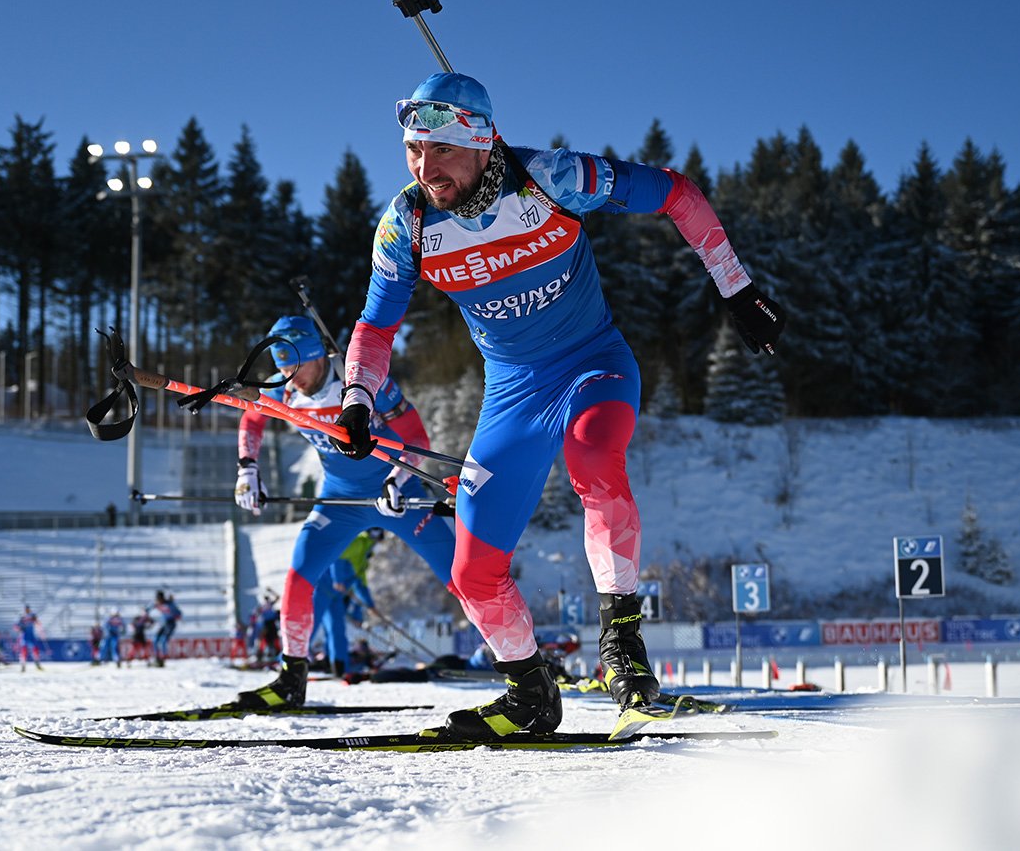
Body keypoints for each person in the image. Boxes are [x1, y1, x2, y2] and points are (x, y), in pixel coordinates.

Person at [333, 73, 785, 739]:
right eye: (412, 149)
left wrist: (736, 288)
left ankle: (623, 654)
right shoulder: (407, 223)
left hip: (590, 365)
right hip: (513, 392)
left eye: (442, 151)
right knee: (471, 568)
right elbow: (375, 327)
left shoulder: (551, 178)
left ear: (484, 142)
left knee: (595, 457)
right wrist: (357, 400)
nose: (426, 169)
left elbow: (674, 192)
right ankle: (529, 693)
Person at [230, 314, 456, 710]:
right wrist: (248, 468)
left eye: (297, 366)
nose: (290, 376)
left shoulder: (364, 383)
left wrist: (397, 482)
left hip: (395, 493)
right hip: (339, 500)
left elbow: (417, 437)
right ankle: (291, 679)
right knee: (299, 576)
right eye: (282, 368)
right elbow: (251, 417)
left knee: (461, 575)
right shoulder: (284, 393)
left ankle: (526, 668)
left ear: (319, 356)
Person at [310, 527, 382, 676]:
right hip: (322, 589)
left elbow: (360, 584)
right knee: (310, 626)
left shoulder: (363, 558)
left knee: (337, 631)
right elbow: (337, 556)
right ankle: (286, 662)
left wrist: (370, 606)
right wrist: (337, 578)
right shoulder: (357, 542)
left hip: (336, 597)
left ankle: (339, 667)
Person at [151, 590, 181, 666]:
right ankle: (157, 657)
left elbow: (178, 613)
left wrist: (174, 615)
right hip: (163, 624)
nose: (158, 601)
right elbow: (148, 608)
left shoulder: (169, 604)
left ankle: (164, 658)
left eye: (159, 599)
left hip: (170, 623)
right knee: (155, 639)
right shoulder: (158, 604)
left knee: (163, 640)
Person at [15, 604, 44, 671]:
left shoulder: (32, 615)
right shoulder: (22, 617)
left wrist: (37, 622)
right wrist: (19, 628)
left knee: (35, 649)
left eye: (28, 609)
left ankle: (37, 663)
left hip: (31, 636)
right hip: (25, 636)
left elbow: (38, 622)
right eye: (26, 609)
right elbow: (16, 626)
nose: (27, 610)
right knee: (24, 651)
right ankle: (23, 665)